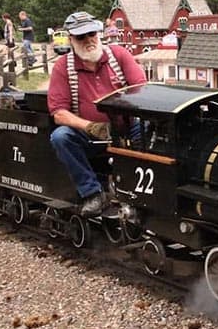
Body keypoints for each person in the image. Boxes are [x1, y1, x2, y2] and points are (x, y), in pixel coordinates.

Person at [47, 11, 146, 217]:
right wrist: (91, 127)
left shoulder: (119, 56)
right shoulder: (63, 67)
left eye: (91, 34)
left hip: (126, 127)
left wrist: (124, 116)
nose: (88, 40)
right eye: (81, 37)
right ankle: (92, 193)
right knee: (61, 137)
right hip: (88, 134)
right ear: (71, 39)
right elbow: (59, 113)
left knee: (156, 133)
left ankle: (146, 190)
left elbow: (143, 89)